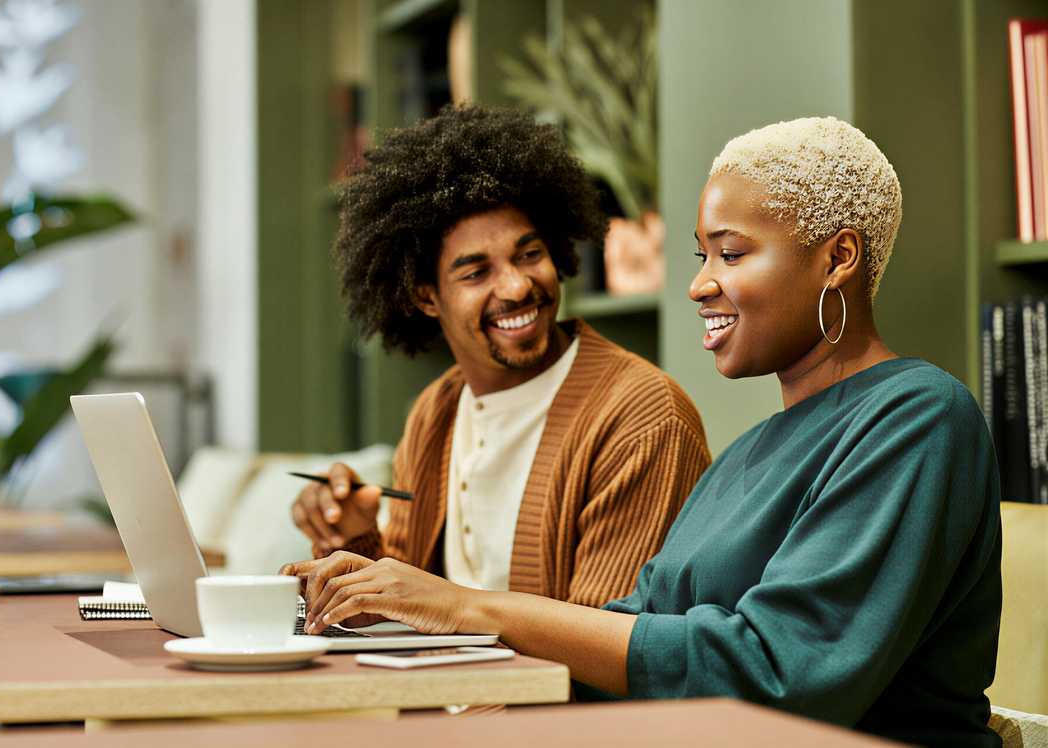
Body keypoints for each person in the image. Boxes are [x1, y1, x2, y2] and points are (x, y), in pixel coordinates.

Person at [285, 117, 1003, 747]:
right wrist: (389, 593)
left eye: (731, 253)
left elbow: (779, 673)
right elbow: (627, 633)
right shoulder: (749, 455)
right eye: (702, 256)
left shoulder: (919, 417)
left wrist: (466, 606)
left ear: (837, 259)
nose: (698, 284)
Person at [287, 105, 710, 611]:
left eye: (529, 254)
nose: (516, 286)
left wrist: (450, 616)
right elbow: (404, 609)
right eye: (475, 273)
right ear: (426, 297)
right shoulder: (436, 413)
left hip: (537, 694)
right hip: (442, 691)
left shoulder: (641, 417)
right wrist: (353, 539)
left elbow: (610, 647)